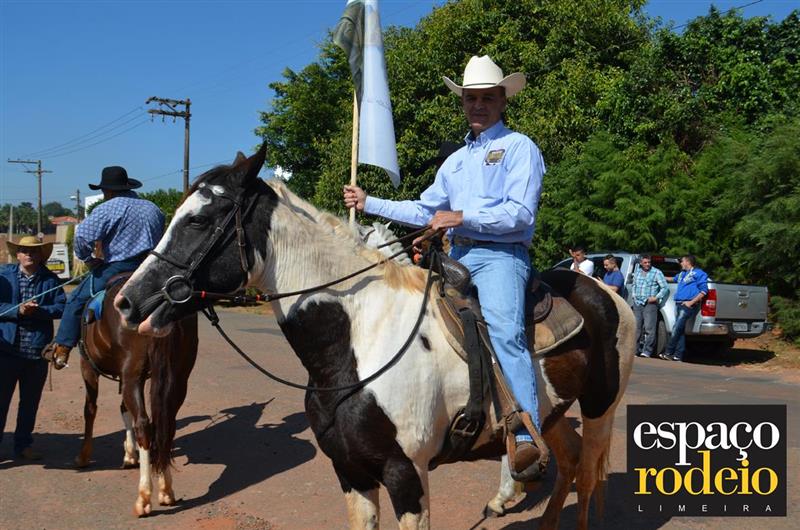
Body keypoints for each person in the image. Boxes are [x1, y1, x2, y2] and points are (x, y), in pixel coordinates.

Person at [343, 55, 545, 475]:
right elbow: (424, 209)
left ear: (502, 100)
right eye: (471, 98)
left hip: (501, 256)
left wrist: (461, 217)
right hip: (458, 256)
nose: (478, 105)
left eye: (487, 98)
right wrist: (369, 202)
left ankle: (526, 435)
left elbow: (521, 213)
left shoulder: (519, 147)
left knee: (505, 333)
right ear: (463, 102)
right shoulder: (455, 162)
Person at [42, 166, 164, 368]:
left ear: (107, 190)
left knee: (76, 299)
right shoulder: (153, 208)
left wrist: (88, 259)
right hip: (152, 268)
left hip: (119, 267)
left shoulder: (108, 208)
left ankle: (62, 347)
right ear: (128, 186)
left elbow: (82, 237)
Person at [0, 236, 66, 460]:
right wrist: (18, 310)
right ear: (17, 254)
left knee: (29, 404)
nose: (29, 254)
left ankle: (23, 445)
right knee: (1, 402)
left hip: (36, 352)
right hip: (6, 352)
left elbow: (61, 307)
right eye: (24, 250)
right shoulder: (3, 276)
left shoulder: (51, 280)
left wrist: (39, 311)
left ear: (41, 256)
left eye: (34, 251)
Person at [661, 255, 708, 362]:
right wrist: (659, 275)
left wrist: (691, 302)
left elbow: (704, 291)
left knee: (676, 328)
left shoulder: (698, 273)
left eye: (682, 261)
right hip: (678, 304)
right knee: (680, 330)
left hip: (687, 305)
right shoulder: (682, 274)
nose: (680, 263)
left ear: (687, 262)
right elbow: (672, 279)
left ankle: (668, 352)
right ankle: (678, 355)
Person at [630, 255, 669, 358]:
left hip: (650, 304)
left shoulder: (656, 272)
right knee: (636, 327)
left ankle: (647, 351)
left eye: (649, 262)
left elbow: (665, 288)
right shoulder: (637, 272)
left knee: (649, 328)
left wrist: (656, 298)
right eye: (645, 262)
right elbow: (634, 285)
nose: (647, 264)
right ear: (641, 263)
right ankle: (635, 350)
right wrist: (634, 296)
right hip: (637, 303)